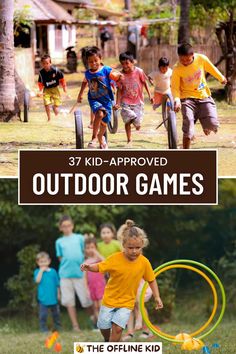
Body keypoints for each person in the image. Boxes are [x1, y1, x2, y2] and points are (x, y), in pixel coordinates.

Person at [80, 219, 163, 342]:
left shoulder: (144, 262)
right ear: (123, 245)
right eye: (130, 247)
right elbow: (100, 266)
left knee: (118, 328)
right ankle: (107, 340)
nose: (134, 251)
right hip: (109, 299)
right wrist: (89, 267)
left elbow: (151, 279)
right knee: (103, 326)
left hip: (127, 302)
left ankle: (112, 347)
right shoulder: (115, 259)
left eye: (137, 248)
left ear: (142, 246)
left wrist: (157, 296)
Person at [171, 43, 227, 149]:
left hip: (203, 96)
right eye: (182, 60)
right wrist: (177, 100)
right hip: (187, 99)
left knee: (213, 125)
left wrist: (221, 78)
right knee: (188, 130)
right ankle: (185, 154)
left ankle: (206, 126)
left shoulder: (201, 59)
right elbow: (175, 87)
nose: (185, 63)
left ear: (192, 55)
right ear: (179, 57)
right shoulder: (177, 68)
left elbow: (212, 69)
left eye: (187, 60)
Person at [77, 46, 122, 149]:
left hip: (107, 100)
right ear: (87, 62)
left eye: (95, 61)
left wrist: (119, 77)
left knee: (104, 123)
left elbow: (116, 76)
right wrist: (80, 95)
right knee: (99, 113)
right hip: (94, 99)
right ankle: (93, 138)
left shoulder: (106, 70)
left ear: (100, 59)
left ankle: (100, 136)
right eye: (90, 62)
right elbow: (84, 83)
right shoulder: (88, 73)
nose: (93, 63)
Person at [55, 215, 93, 331]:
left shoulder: (79, 238)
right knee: (69, 301)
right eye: (64, 226)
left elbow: (85, 252)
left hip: (81, 274)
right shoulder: (59, 241)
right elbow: (60, 257)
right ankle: (75, 326)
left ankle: (94, 322)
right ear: (60, 228)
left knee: (86, 300)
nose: (67, 228)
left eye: (69, 225)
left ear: (72, 226)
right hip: (65, 275)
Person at [115, 51, 153, 147]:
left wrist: (150, 95)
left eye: (127, 63)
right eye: (122, 64)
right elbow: (119, 90)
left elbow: (145, 83)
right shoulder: (120, 75)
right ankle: (129, 140)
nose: (125, 66)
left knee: (138, 124)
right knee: (128, 120)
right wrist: (117, 103)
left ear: (132, 62)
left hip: (138, 101)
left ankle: (137, 123)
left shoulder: (139, 71)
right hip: (125, 102)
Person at [34, 252, 61, 332]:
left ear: (49, 261)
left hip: (53, 297)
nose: (43, 264)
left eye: (45, 261)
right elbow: (37, 281)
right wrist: (41, 271)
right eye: (41, 262)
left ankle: (58, 327)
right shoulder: (37, 271)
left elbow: (57, 284)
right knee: (43, 315)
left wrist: (59, 294)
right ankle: (43, 328)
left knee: (56, 314)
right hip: (43, 298)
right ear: (38, 262)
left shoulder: (53, 271)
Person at [38, 54, 67, 121]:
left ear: (50, 63)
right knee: (46, 104)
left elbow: (62, 79)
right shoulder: (41, 73)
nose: (46, 65)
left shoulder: (56, 71)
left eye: (47, 63)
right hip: (46, 90)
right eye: (44, 64)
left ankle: (55, 108)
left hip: (55, 89)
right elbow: (40, 83)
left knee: (57, 103)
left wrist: (64, 87)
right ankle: (49, 118)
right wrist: (40, 90)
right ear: (42, 64)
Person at [84, 238, 106, 328]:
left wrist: (96, 253)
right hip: (91, 287)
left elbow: (105, 262)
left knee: (101, 306)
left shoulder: (98, 259)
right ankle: (98, 325)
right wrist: (86, 289)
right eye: (88, 248)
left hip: (100, 285)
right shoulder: (86, 262)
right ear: (85, 249)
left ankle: (105, 324)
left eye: (92, 247)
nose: (90, 250)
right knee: (95, 306)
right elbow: (85, 278)